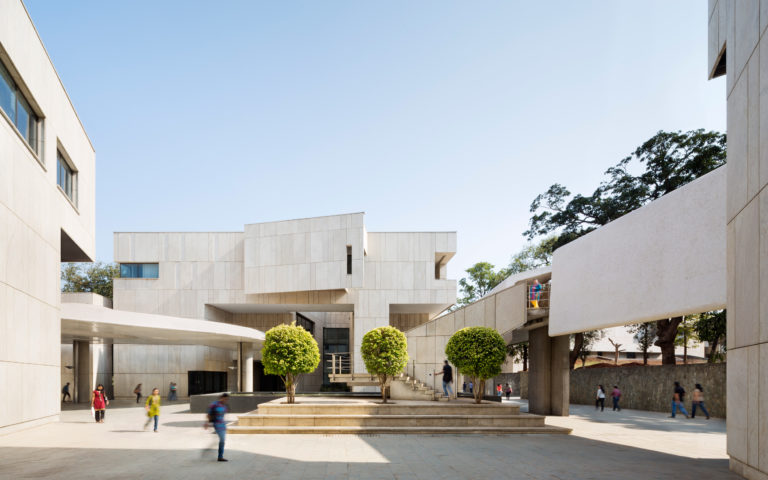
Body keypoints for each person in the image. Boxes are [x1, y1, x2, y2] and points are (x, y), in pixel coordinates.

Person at [205, 393, 230, 462]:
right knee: (222, 439)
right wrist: (207, 423)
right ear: (221, 398)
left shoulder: (225, 406)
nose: (226, 400)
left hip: (222, 424)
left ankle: (220, 456)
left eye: (227, 399)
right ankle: (220, 456)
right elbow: (209, 414)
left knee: (222, 440)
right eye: (225, 399)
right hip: (216, 424)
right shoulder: (214, 404)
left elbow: (223, 415)